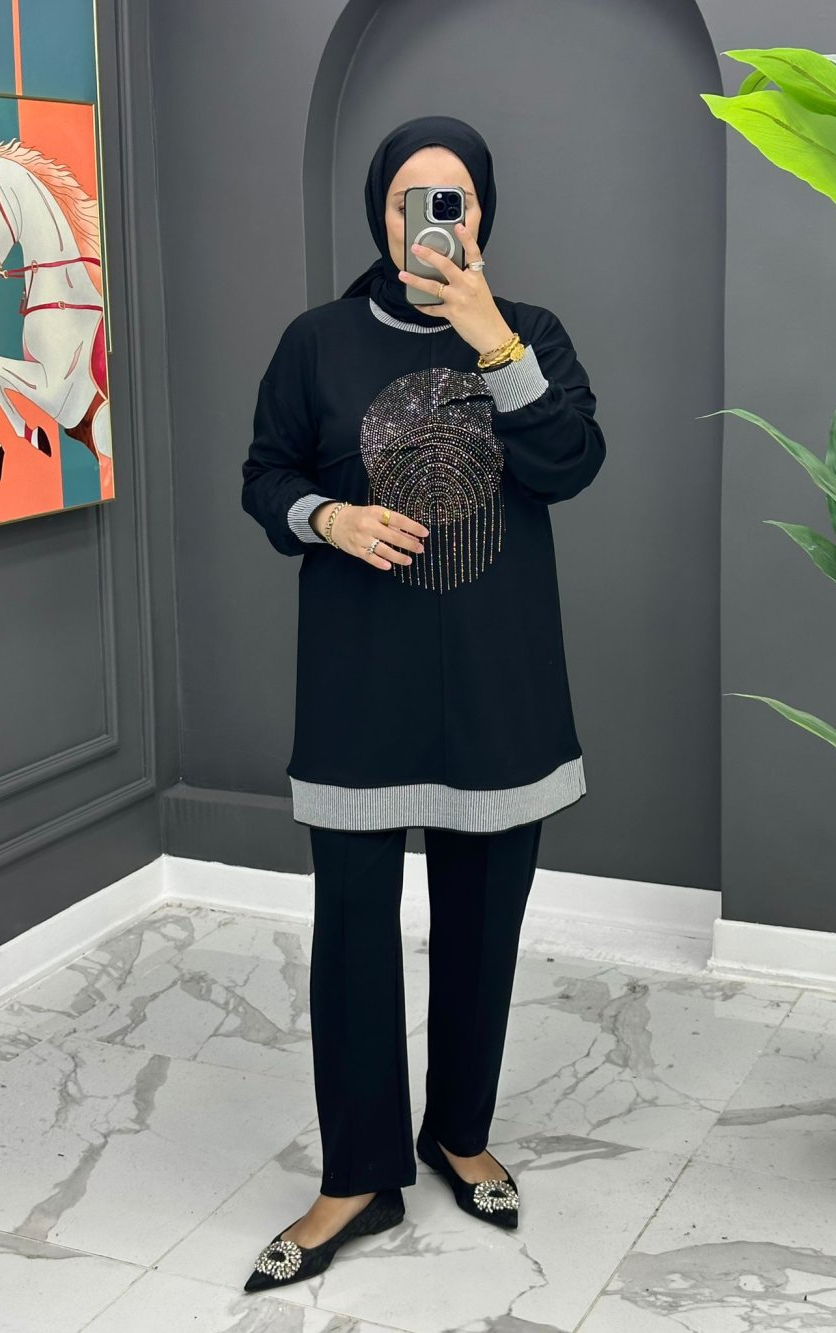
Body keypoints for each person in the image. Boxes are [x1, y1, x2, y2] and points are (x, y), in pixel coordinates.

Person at [240, 115, 606, 1293]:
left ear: (484, 212)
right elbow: (265, 474)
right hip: (359, 687)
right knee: (352, 935)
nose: (433, 219)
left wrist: (494, 338)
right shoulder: (316, 341)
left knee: (482, 926)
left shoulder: (530, 333)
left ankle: (457, 1131)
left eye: (456, 198)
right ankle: (358, 1174)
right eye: (412, 198)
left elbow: (569, 462)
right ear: (380, 214)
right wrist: (328, 518)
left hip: (499, 689)